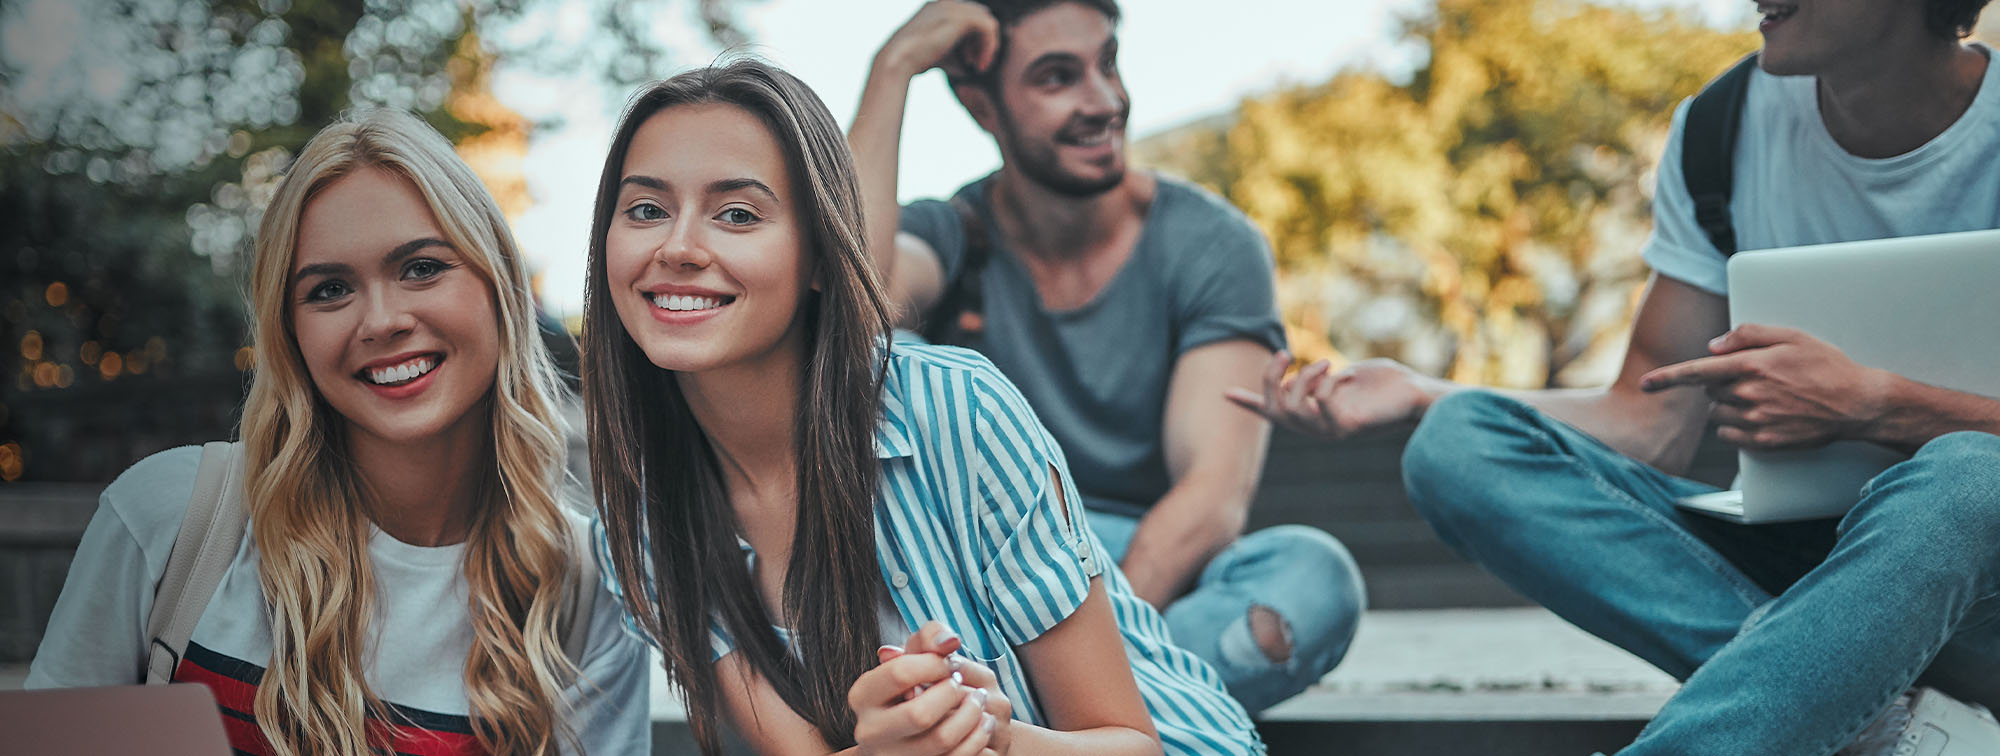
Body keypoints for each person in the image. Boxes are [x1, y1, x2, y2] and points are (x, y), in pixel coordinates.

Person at [1229, 0, 2000, 753]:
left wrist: (1875, 406)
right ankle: (1874, 718)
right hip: (1807, 561)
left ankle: (1801, 700)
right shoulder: (1720, 131)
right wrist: (1424, 394)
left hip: (1980, 583)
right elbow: (1647, 422)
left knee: (1969, 476)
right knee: (1456, 444)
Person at [581, 59, 1263, 756]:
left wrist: (989, 740)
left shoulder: (953, 410)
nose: (678, 247)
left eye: (737, 214)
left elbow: (1130, 745)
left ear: (821, 258)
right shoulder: (639, 514)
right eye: (645, 210)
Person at [26, 109, 651, 756]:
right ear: (289, 332)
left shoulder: (588, 589)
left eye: (421, 268)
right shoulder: (169, 517)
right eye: (329, 289)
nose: (381, 320)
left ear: (498, 285)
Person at [846, 0, 1364, 714]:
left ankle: (1027, 718)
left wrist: (1088, 656)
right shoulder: (954, 232)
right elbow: (847, 311)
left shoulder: (1210, 243)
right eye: (1059, 78)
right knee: (880, 353)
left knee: (1312, 578)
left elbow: (1210, 499)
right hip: (981, 574)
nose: (1105, 101)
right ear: (982, 108)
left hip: (1140, 572)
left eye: (1108, 64)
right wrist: (893, 66)